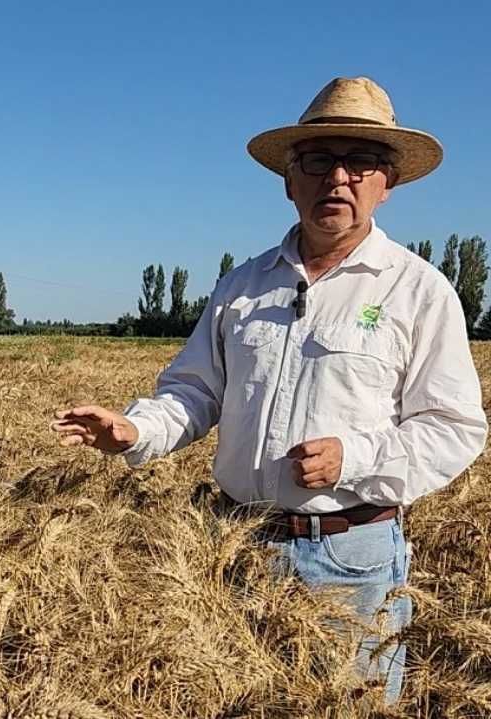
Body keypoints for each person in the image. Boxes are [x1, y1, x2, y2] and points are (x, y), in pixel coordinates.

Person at [50, 76, 487, 704]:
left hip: (350, 558)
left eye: (361, 161)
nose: (339, 177)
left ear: (387, 184)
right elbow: (196, 391)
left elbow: (454, 426)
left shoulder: (418, 291)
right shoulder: (243, 285)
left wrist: (355, 457)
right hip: (234, 545)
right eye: (318, 160)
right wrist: (134, 429)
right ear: (290, 180)